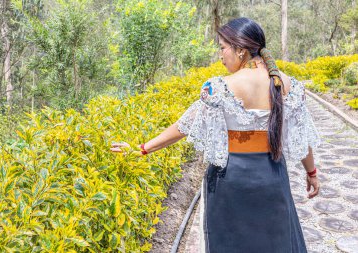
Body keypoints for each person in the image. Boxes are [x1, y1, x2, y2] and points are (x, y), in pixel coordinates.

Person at [110, 17, 321, 253]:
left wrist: (142, 148)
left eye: (222, 48)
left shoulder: (219, 87)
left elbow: (184, 126)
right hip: (273, 178)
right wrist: (311, 173)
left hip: (230, 182)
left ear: (240, 50)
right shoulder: (289, 85)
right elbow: (301, 138)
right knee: (274, 242)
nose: (220, 56)